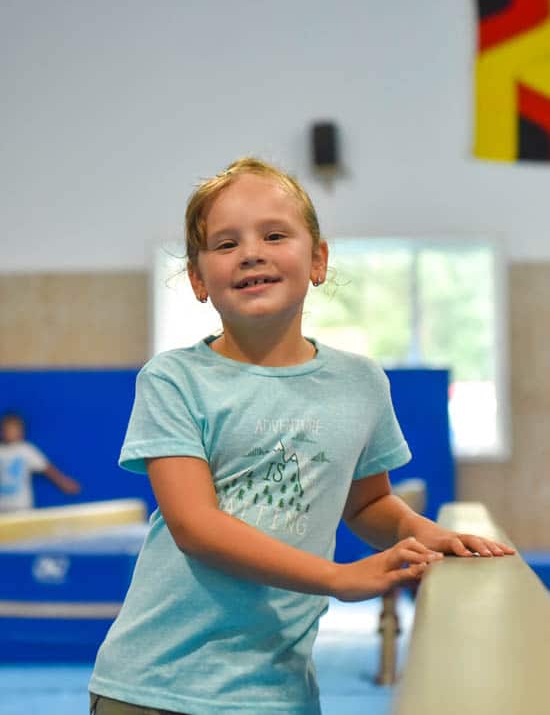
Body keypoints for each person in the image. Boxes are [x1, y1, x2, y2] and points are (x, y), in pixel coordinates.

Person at [89, 157, 514, 715]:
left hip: (278, 690)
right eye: (225, 244)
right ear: (197, 279)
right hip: (158, 684)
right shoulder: (175, 379)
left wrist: (417, 529)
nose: (251, 252)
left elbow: (370, 503)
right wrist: (336, 578)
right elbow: (196, 526)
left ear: (317, 260)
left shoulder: (359, 382)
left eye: (274, 234)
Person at [0, 412, 81, 512]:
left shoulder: (26, 450)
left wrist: (64, 482)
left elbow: (46, 468)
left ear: (21, 432)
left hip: (21, 506)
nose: (10, 432)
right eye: (7, 429)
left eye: (14, 429)